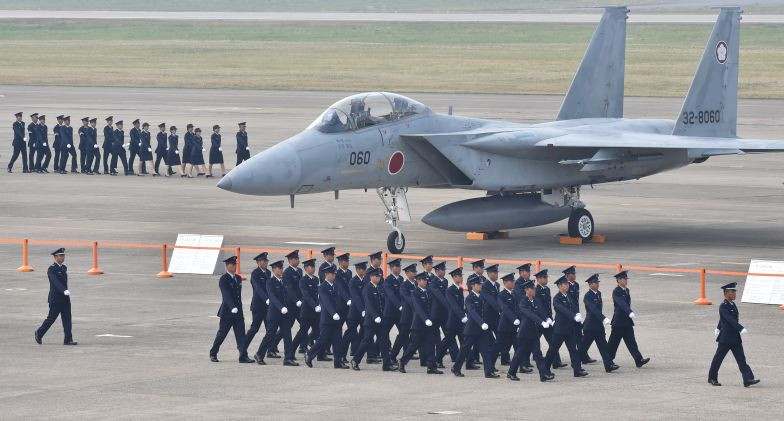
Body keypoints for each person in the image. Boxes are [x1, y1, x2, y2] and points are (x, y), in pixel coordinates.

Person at [708, 282, 760, 387]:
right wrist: (740, 328)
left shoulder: (732, 304)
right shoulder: (723, 306)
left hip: (735, 338)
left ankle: (748, 379)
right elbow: (729, 319)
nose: (735, 294)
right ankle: (712, 378)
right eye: (733, 292)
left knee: (741, 359)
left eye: (735, 291)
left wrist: (718, 327)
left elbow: (724, 318)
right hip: (726, 338)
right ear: (727, 293)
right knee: (718, 359)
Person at [209, 256, 254, 363]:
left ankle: (243, 356)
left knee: (241, 335)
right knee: (222, 334)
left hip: (238, 312)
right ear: (227, 266)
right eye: (232, 265)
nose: (234, 266)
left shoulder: (238, 278)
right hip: (227, 312)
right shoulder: (224, 279)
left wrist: (237, 308)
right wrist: (232, 306)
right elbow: (226, 295)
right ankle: (213, 353)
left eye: (235, 264)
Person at [507, 281, 554, 382]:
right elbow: (530, 314)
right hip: (525, 333)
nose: (534, 290)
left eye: (534, 289)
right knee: (519, 354)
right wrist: (541, 322)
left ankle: (543, 374)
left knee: (538, 354)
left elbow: (541, 310)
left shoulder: (536, 300)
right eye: (532, 289)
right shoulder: (523, 302)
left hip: (534, 332)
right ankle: (511, 372)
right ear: (526, 290)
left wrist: (547, 318)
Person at [351, 268, 396, 371]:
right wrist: (375, 317)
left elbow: (383, 303)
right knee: (366, 342)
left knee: (384, 342)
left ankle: (387, 364)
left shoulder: (380, 288)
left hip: (381, 320)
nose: (378, 278)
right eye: (376, 276)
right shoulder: (367, 289)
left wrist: (383, 315)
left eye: (379, 276)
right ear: (371, 277)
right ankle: (355, 360)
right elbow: (369, 304)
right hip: (371, 321)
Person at [253, 260, 296, 366]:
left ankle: (288, 358)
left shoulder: (283, 281)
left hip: (285, 314)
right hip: (274, 314)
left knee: (287, 335)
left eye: (282, 268)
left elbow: (287, 296)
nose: (281, 270)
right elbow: (272, 297)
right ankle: (259, 354)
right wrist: (281, 307)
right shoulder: (270, 282)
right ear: (273, 270)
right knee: (270, 336)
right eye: (279, 268)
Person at [305, 266, 349, 369]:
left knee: (338, 341)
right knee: (322, 340)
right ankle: (309, 354)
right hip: (327, 319)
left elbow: (342, 293)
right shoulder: (322, 287)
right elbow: (326, 302)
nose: (334, 276)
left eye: (334, 274)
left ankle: (338, 362)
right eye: (332, 274)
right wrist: (333, 313)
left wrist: (348, 300)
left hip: (337, 318)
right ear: (326, 275)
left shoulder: (336, 285)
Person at [544, 276, 588, 378]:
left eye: (567, 284)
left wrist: (577, 313)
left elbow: (574, 306)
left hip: (570, 328)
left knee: (573, 350)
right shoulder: (557, 298)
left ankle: (577, 370)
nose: (567, 285)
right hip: (560, 329)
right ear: (560, 286)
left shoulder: (569, 296)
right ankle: (545, 369)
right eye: (565, 284)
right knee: (553, 350)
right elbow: (562, 309)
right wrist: (573, 316)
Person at [451, 277, 496, 378]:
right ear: (472, 286)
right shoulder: (469, 298)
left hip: (482, 330)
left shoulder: (482, 297)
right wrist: (481, 323)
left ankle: (488, 372)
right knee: (464, 351)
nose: (480, 286)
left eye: (481, 284)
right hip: (472, 330)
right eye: (478, 284)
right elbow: (472, 312)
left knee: (485, 351)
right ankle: (456, 368)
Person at [399, 272, 441, 374]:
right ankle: (402, 362)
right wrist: (425, 319)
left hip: (429, 323)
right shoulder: (415, 292)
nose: (425, 281)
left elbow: (432, 306)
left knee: (431, 344)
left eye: (426, 280)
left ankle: (431, 366)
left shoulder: (428, 292)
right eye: (423, 280)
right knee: (414, 346)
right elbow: (418, 308)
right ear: (418, 281)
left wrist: (431, 318)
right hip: (418, 324)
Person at [606, 271, 650, 368]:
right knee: (613, 344)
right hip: (618, 322)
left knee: (632, 342)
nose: (626, 281)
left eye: (626, 279)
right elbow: (621, 304)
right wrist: (629, 311)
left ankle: (638, 360)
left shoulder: (626, 290)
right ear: (619, 280)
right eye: (624, 279)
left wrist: (629, 313)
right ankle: (608, 362)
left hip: (627, 322)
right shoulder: (616, 291)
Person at [34, 248, 77, 346]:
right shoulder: (51, 269)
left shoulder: (64, 267)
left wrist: (65, 292)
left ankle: (68, 339)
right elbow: (55, 282)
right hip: (56, 299)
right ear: (55, 257)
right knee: (51, 319)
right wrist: (64, 290)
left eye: (63, 256)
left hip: (65, 299)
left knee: (67, 319)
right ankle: (39, 333)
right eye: (60, 256)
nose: (62, 257)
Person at [581, 274, 620, 373]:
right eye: (595, 283)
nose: (597, 284)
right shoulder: (587, 296)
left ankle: (608, 365)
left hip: (598, 326)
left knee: (603, 346)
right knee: (583, 348)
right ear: (590, 284)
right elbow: (593, 310)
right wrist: (603, 318)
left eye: (597, 283)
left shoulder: (598, 293)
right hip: (590, 326)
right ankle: (575, 363)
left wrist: (601, 321)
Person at [563, 265, 595, 364]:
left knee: (579, 336)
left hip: (576, 313)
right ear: (568, 275)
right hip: (569, 315)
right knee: (565, 338)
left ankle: (583, 357)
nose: (574, 275)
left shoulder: (576, 284)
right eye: (573, 274)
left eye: (574, 273)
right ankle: (556, 358)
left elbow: (576, 300)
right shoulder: (564, 285)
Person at [534, 269, 564, 370]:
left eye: (546, 277)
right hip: (539, 321)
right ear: (538, 279)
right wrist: (546, 318)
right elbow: (539, 306)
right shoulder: (536, 290)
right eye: (544, 277)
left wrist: (550, 318)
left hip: (548, 321)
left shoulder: (547, 289)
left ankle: (556, 361)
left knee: (553, 341)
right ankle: (523, 361)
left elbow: (548, 306)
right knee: (532, 341)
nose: (546, 279)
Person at [436, 267, 465, 367]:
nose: (461, 278)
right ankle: (438, 359)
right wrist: (462, 316)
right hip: (453, 321)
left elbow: (461, 305)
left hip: (461, 321)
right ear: (454, 277)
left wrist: (465, 314)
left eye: (461, 275)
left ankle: (466, 361)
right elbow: (454, 305)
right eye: (459, 276)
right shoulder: (449, 290)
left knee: (465, 341)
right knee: (446, 342)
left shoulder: (460, 290)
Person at [294, 259, 321, 362]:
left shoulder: (315, 279)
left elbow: (316, 294)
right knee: (302, 332)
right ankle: (291, 351)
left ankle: (319, 354)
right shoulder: (303, 280)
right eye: (311, 267)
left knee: (318, 332)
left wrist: (319, 305)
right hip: (306, 311)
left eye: (314, 266)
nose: (313, 268)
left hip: (316, 312)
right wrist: (315, 306)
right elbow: (307, 296)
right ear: (306, 269)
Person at [244, 252, 270, 356]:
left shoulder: (268, 272)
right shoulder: (255, 273)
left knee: (270, 330)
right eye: (264, 261)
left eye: (266, 261)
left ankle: (270, 350)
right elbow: (258, 288)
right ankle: (243, 346)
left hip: (268, 307)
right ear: (259, 262)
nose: (266, 262)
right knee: (255, 328)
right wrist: (266, 299)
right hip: (258, 305)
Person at [390, 263, 416, 362]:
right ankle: (392, 355)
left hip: (416, 316)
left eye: (415, 272)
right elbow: (409, 299)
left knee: (416, 337)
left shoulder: (417, 284)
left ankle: (409, 356)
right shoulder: (404, 286)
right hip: (407, 316)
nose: (414, 274)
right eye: (412, 272)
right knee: (402, 336)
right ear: (407, 273)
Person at [282, 250, 305, 357]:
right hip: (291, 305)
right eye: (296, 259)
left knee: (304, 325)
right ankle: (272, 346)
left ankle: (302, 345)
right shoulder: (286, 273)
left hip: (300, 305)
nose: (298, 260)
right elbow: (290, 289)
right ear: (290, 260)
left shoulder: (299, 271)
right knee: (287, 327)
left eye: (298, 258)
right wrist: (297, 301)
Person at [342, 261, 367, 360]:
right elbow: (356, 297)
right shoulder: (353, 281)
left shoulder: (366, 280)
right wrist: (362, 310)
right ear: (357, 270)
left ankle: (358, 353)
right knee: (349, 334)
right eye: (362, 269)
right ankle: (342, 355)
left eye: (365, 269)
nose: (364, 271)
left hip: (364, 312)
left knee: (365, 332)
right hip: (354, 312)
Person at [496, 273, 521, 371]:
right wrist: (514, 319)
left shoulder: (514, 293)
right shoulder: (501, 295)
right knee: (499, 346)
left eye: (513, 281)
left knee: (518, 346)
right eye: (511, 281)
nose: (513, 282)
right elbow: (504, 309)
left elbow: (518, 308)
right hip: (505, 325)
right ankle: (490, 365)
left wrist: (519, 319)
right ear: (505, 283)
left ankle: (522, 365)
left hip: (515, 325)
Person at [480, 264, 502, 370]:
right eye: (493, 272)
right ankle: (489, 365)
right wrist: (502, 310)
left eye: (497, 272)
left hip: (496, 317)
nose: (496, 274)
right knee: (488, 342)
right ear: (488, 274)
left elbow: (498, 299)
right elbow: (491, 300)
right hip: (487, 317)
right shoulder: (485, 285)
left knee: (499, 339)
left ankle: (493, 364)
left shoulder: (497, 285)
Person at [333, 253, 352, 364]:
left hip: (349, 307)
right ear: (340, 262)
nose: (347, 263)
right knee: (337, 333)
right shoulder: (337, 274)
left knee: (350, 331)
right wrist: (348, 299)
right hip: (340, 307)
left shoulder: (349, 273)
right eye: (345, 261)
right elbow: (340, 289)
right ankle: (338, 356)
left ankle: (343, 355)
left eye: (348, 261)